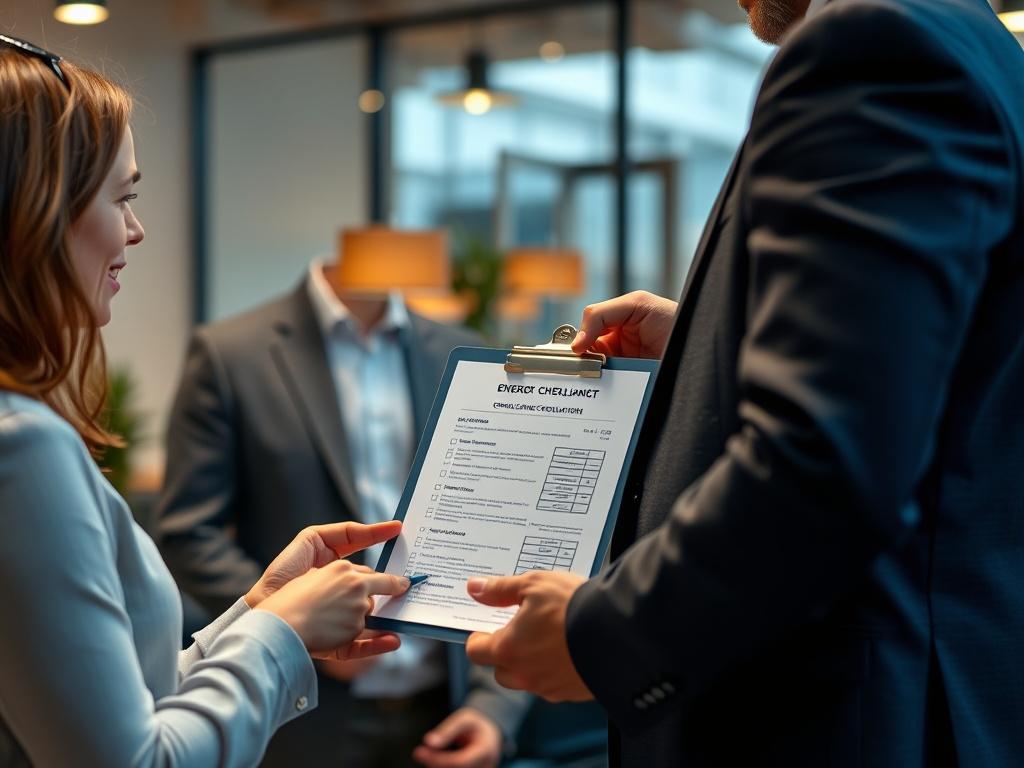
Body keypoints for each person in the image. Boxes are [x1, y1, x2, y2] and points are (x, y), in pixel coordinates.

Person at [463, 0, 1024, 766]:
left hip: (839, 722)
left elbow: (829, 459)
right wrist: (703, 344)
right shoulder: (976, 43)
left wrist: (609, 636)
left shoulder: (874, 45)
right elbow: (936, 377)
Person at [0, 36, 411, 767]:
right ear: (37, 211)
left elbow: (123, 712)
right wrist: (279, 635)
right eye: (122, 197)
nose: (136, 229)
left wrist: (259, 610)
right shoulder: (21, 444)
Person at [151, 260, 530, 764]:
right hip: (304, 711)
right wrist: (299, 628)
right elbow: (188, 530)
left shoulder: (461, 349)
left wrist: (493, 707)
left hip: (449, 705)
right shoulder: (230, 354)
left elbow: (498, 527)